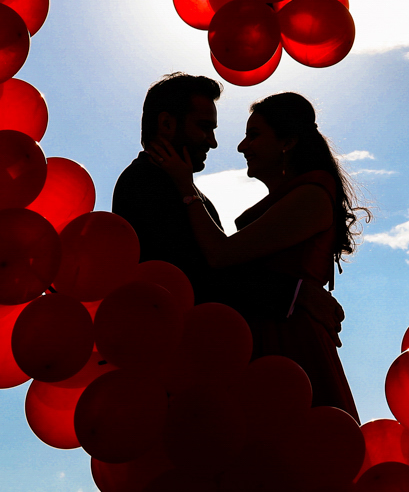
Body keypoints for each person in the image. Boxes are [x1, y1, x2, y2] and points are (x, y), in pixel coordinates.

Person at [149, 90, 368, 419]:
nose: (241, 146)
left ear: (287, 142)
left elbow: (220, 254)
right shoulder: (297, 198)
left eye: (254, 134)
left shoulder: (312, 194)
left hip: (289, 341)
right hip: (264, 335)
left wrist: (185, 189)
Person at [111, 73, 344, 336]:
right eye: (204, 127)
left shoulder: (184, 188)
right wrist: (295, 294)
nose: (213, 142)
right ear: (166, 123)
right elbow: (194, 273)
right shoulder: (144, 183)